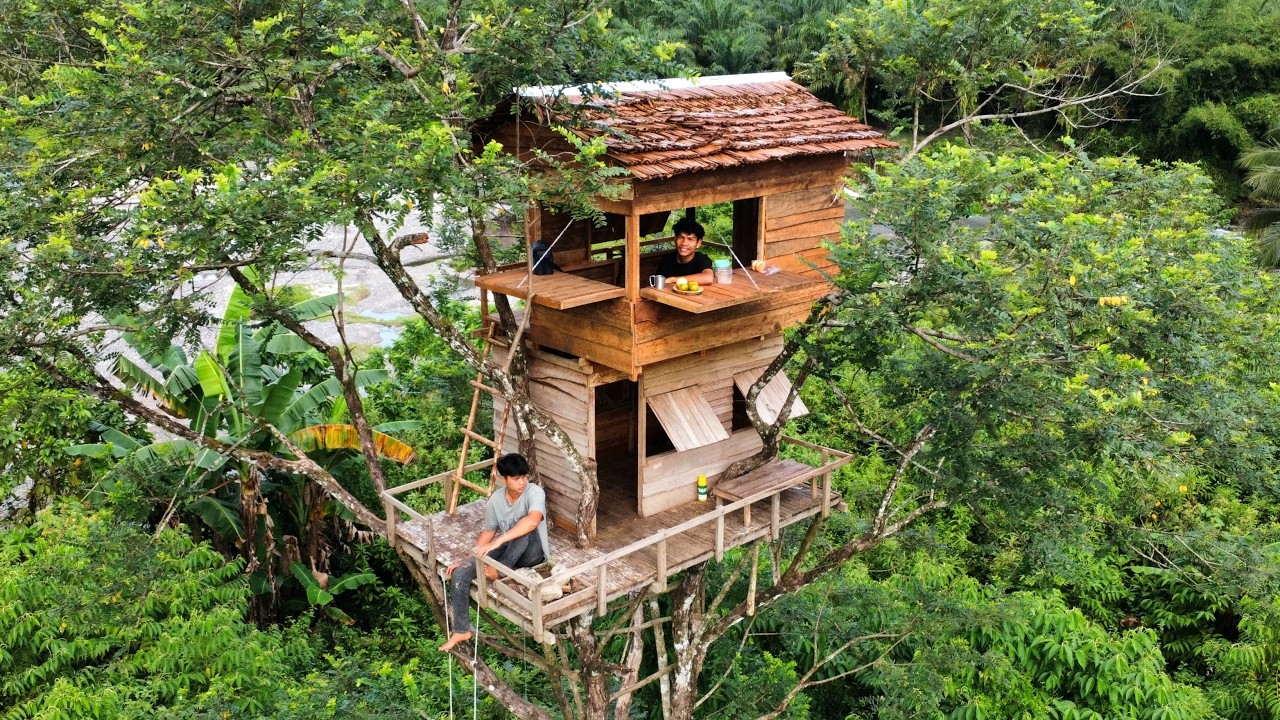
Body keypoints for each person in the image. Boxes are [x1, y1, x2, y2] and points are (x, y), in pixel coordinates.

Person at [439, 453, 550, 652]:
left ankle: (500, 570)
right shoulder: (495, 500)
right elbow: (488, 532)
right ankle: (461, 630)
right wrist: (467, 559)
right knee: (461, 573)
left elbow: (533, 521)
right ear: (503, 479)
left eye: (524, 476)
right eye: (516, 478)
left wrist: (499, 540)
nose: (522, 482)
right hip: (509, 550)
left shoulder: (535, 492)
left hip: (531, 554)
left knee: (523, 527)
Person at [656, 217, 715, 285]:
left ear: (698, 243)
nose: (684, 243)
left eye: (690, 239)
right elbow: (657, 284)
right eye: (681, 238)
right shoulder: (667, 260)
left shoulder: (701, 259)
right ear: (675, 239)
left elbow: (708, 278)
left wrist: (672, 279)